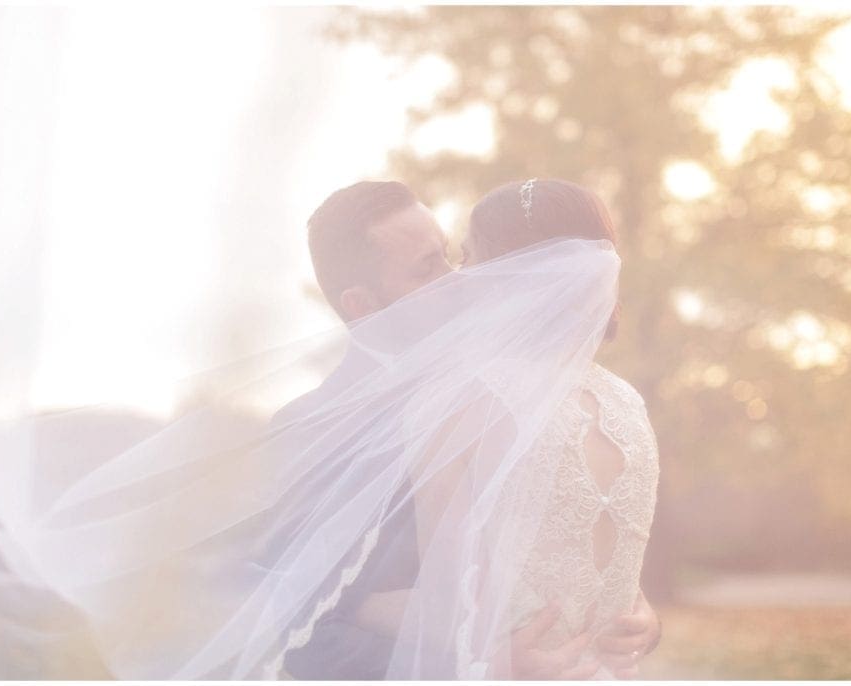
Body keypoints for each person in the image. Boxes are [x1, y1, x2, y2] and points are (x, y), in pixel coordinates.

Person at [277, 180, 660, 679]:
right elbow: (288, 622)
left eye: (458, 256)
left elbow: (586, 562)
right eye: (429, 267)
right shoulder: (308, 430)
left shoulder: (475, 398)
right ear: (361, 305)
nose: (458, 278)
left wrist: (643, 621)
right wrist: (474, 664)